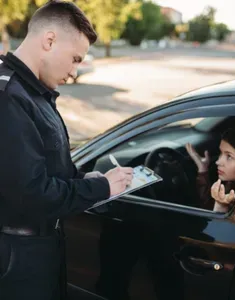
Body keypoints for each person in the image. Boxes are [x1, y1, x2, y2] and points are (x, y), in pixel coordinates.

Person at [0, 1, 133, 300]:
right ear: (49, 40)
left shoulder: (34, 91)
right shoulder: (8, 98)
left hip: (39, 247)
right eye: (75, 59)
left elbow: (49, 169)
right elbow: (31, 195)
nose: (74, 72)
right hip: (16, 257)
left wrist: (88, 179)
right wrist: (100, 188)